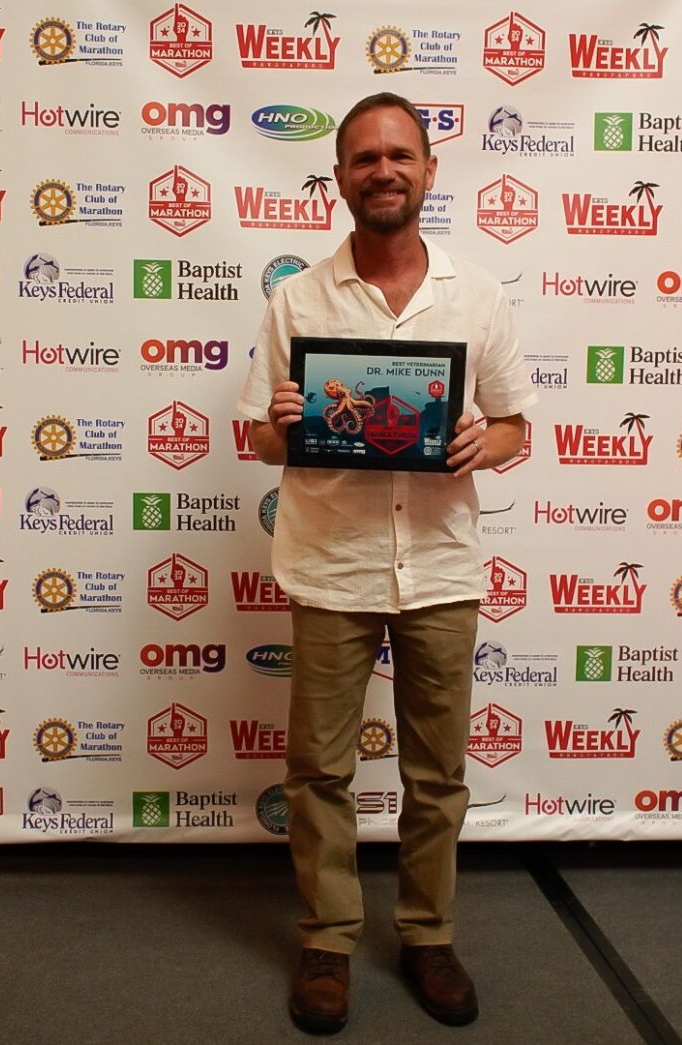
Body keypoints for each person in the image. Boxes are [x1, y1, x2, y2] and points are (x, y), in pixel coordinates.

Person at [237, 92, 537, 1035]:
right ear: (338, 178)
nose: (383, 171)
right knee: (318, 769)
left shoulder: (480, 296)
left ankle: (427, 932)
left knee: (437, 769)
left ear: (428, 171)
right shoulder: (297, 299)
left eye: (399, 155)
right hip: (331, 564)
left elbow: (518, 426)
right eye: (364, 158)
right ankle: (327, 939)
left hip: (441, 566)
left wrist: (479, 444)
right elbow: (257, 437)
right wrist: (280, 428)